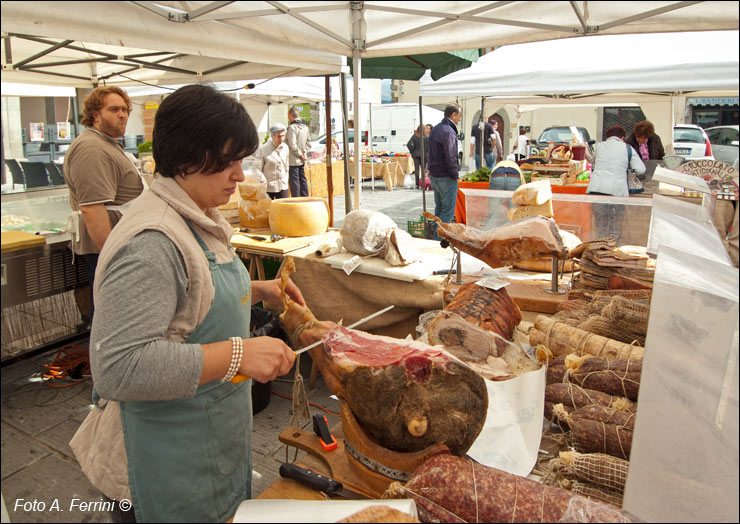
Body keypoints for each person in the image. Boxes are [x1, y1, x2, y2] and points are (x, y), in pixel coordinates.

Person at [69, 84, 303, 523]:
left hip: (203, 439)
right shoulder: (152, 242)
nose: (239, 174)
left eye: (241, 160)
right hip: (162, 462)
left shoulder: (192, 212)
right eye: (228, 161)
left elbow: (187, 297)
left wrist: (257, 290)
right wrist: (240, 353)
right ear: (186, 157)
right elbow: (120, 367)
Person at [63, 86, 143, 321]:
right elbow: (92, 208)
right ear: (96, 115)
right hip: (109, 247)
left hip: (124, 240)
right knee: (113, 314)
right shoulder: (91, 148)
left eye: (125, 109)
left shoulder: (106, 143)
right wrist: (113, 255)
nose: (123, 115)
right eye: (114, 109)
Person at [587, 125, 646, 242]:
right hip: (617, 192)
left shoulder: (599, 146)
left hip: (596, 190)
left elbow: (594, 164)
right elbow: (641, 169)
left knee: (601, 227)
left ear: (607, 137)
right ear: (622, 137)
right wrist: (627, 169)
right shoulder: (627, 148)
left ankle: (599, 252)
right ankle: (613, 253)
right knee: (615, 228)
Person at [428, 104, 462, 237]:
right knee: (447, 212)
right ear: (453, 115)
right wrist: (455, 175)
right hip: (445, 176)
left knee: (440, 209)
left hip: (435, 175)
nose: (459, 119)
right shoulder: (448, 131)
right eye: (459, 116)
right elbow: (451, 156)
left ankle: (435, 238)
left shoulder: (436, 129)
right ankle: (438, 240)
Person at [254, 123, 289, 199]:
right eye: (279, 136)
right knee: (268, 209)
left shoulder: (285, 148)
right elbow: (256, 168)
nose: (281, 139)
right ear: (272, 136)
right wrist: (262, 179)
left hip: (283, 185)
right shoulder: (263, 150)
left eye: (283, 136)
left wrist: (286, 178)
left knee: (284, 208)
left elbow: (286, 165)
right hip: (269, 187)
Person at [286, 107, 311, 197]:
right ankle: (305, 198)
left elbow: (292, 145)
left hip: (293, 160)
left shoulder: (292, 128)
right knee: (302, 179)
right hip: (302, 159)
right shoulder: (305, 127)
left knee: (295, 182)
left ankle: (296, 201)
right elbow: (309, 143)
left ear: (291, 115)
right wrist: (304, 153)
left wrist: (301, 154)